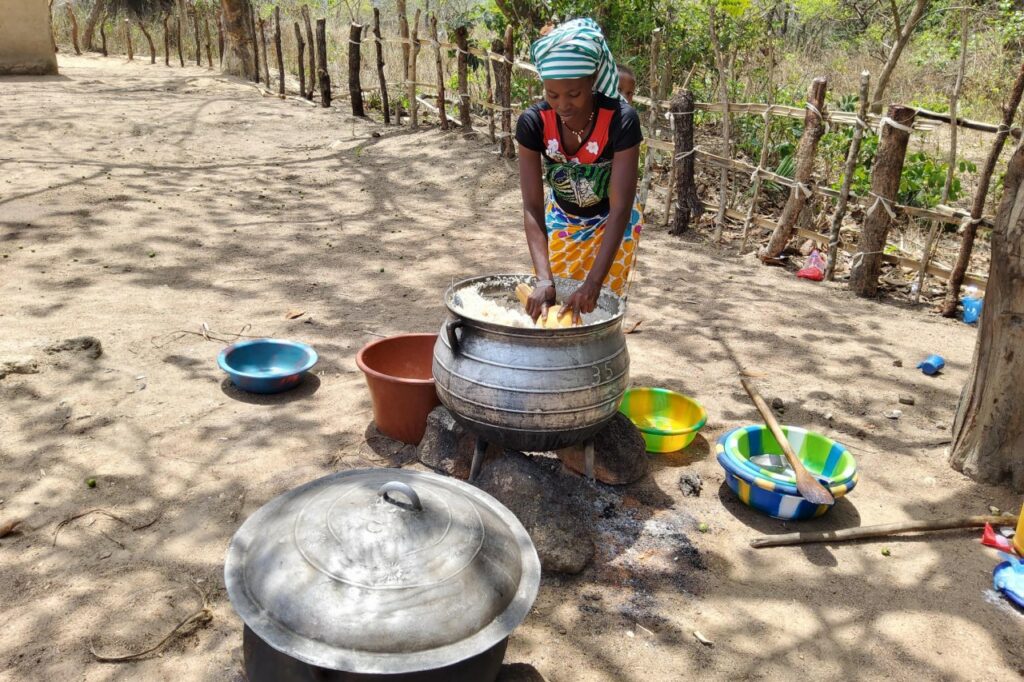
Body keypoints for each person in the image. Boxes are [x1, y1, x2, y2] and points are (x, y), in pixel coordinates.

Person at [515, 18, 644, 325]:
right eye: (552, 94)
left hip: (613, 224)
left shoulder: (621, 121)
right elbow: (532, 207)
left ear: (593, 80)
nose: (563, 105)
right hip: (561, 218)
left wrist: (594, 283)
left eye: (574, 94)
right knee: (555, 307)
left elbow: (621, 206)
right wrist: (544, 279)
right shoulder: (533, 123)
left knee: (599, 315)